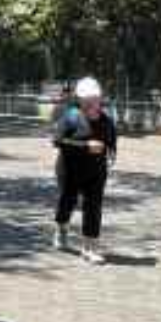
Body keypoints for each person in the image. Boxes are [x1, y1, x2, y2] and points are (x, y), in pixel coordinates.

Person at [53, 76, 118, 265]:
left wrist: (112, 154)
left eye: (96, 100)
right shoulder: (70, 117)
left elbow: (112, 142)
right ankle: (61, 228)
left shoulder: (106, 121)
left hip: (96, 171)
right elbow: (57, 141)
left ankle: (89, 247)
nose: (93, 104)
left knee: (93, 206)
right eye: (88, 101)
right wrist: (85, 145)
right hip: (70, 169)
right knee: (68, 202)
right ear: (80, 101)